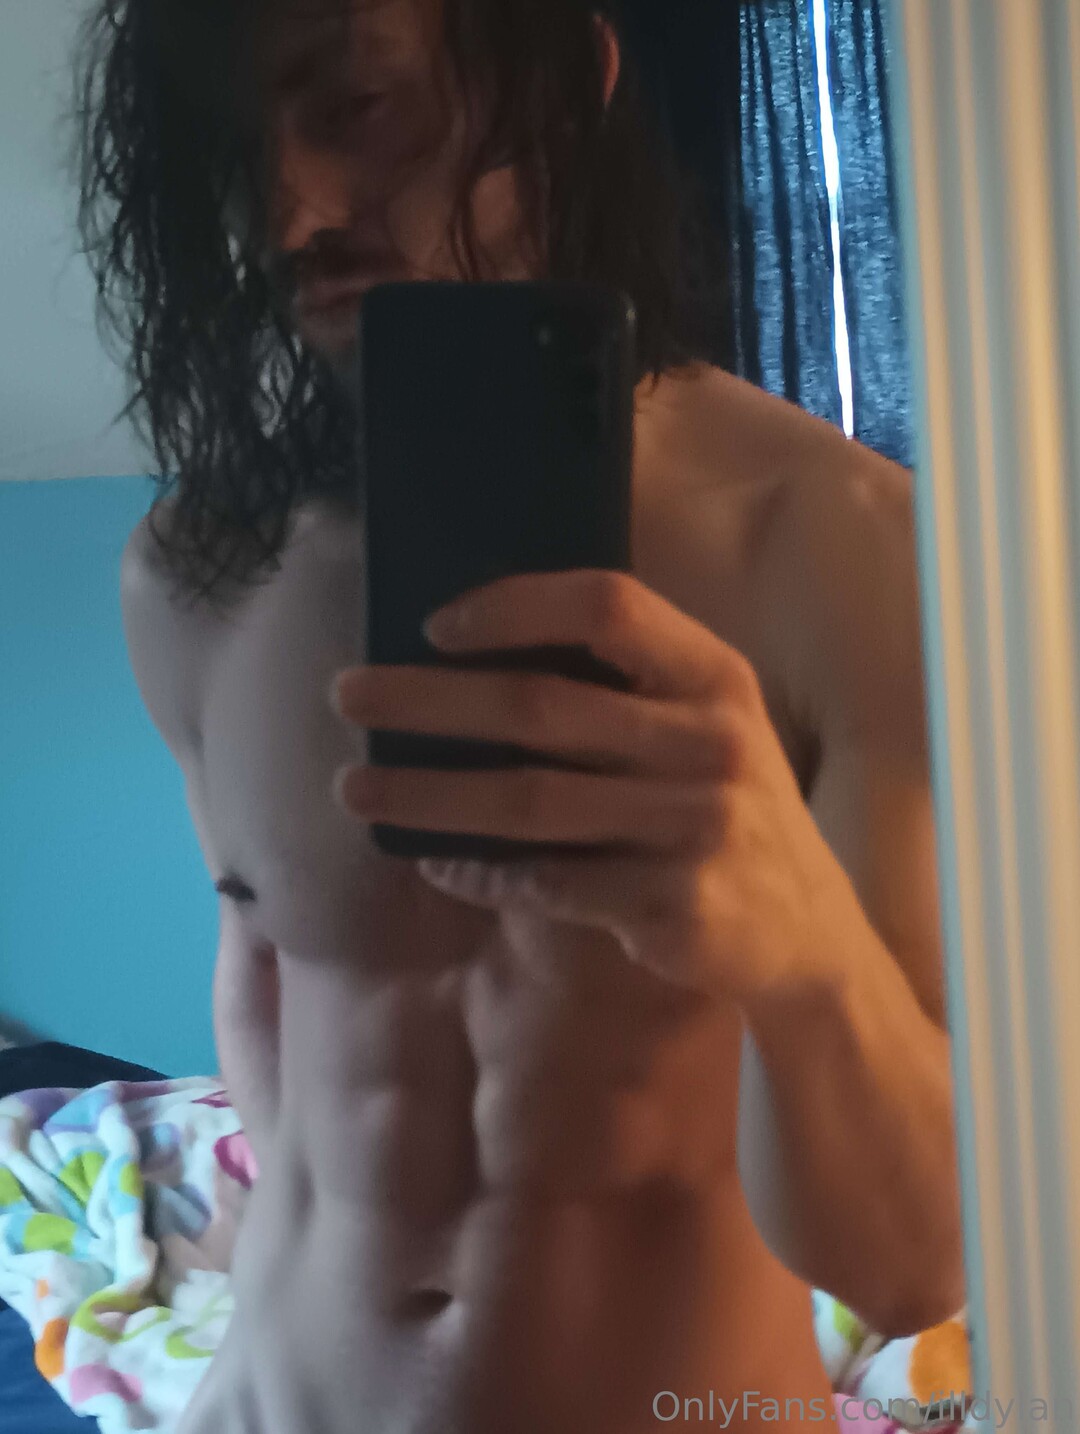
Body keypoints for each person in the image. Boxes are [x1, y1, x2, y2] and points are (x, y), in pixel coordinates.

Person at [73, 0, 965, 1428]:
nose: (290, 216)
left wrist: (799, 946)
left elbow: (914, 1266)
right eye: (236, 147)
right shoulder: (192, 577)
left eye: (358, 107)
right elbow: (266, 975)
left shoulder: (841, 551)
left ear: (562, 84)